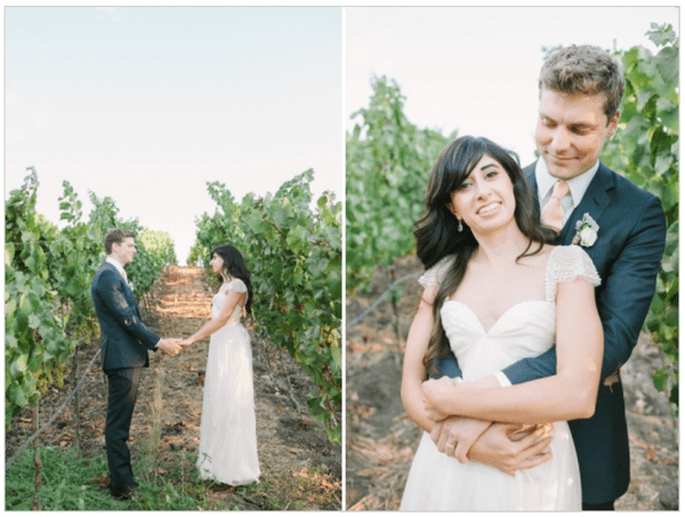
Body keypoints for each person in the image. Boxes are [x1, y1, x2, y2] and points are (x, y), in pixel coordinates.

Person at [429, 45, 667, 510]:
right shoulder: (494, 187)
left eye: (579, 128)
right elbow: (449, 315)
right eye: (548, 123)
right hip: (471, 440)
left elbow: (615, 336)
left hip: (579, 436)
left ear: (612, 124)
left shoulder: (638, 213)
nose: (559, 143)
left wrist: (481, 398)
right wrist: (465, 419)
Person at [399, 135, 603, 510]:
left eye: (491, 174)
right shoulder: (440, 277)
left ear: (512, 182)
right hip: (449, 457)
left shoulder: (566, 266)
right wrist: (474, 447)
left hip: (529, 457)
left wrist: (467, 411)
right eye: (464, 185)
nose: (482, 192)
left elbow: (579, 393)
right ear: (453, 208)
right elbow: (412, 385)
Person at [91, 228, 181, 501]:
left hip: (125, 356)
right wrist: (159, 342)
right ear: (115, 246)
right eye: (130, 245)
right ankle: (121, 488)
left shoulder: (114, 274)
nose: (134, 250)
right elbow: (127, 318)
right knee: (118, 425)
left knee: (121, 422)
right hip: (121, 358)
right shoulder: (108, 276)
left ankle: (124, 480)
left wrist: (157, 340)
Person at [179, 244, 260, 486]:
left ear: (226, 259)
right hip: (221, 342)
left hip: (231, 344)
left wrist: (192, 339)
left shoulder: (237, 285)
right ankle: (217, 463)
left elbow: (224, 318)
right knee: (219, 399)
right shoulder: (225, 284)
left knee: (232, 402)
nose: (211, 262)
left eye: (214, 258)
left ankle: (234, 468)